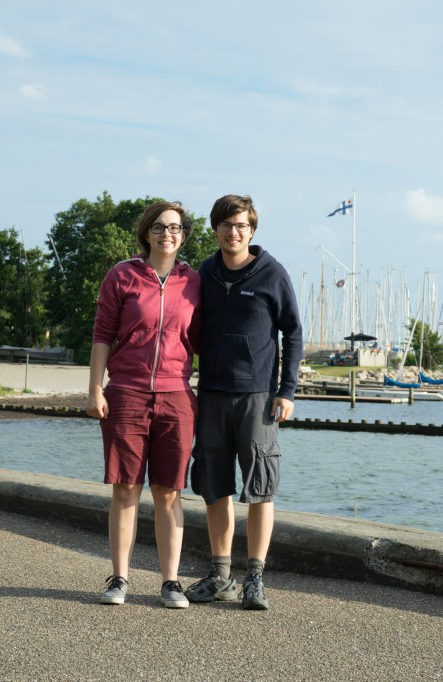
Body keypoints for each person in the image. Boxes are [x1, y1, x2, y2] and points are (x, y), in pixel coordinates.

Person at [185, 194, 303, 610]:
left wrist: (287, 390)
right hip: (213, 395)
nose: (233, 232)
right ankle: (220, 575)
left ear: (251, 230)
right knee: (214, 488)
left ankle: (254, 577)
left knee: (260, 488)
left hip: (258, 397)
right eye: (225, 225)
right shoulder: (205, 273)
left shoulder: (272, 273)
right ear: (215, 229)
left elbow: (293, 332)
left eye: (241, 225)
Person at [87, 200, 201, 609]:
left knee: (169, 492)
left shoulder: (195, 282)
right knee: (125, 488)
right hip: (127, 392)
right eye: (158, 227)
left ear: (184, 235)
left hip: (177, 396)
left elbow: (205, 340)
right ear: (146, 233)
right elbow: (102, 333)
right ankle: (119, 577)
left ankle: (170, 581)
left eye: (174, 227)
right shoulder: (122, 275)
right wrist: (95, 388)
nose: (166, 234)